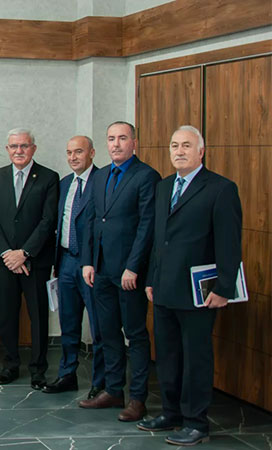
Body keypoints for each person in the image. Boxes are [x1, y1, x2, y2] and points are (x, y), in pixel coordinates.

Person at [139, 126, 241, 446]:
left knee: (196, 357)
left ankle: (197, 422)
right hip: (165, 287)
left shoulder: (221, 189)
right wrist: (152, 279)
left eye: (186, 145)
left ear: (201, 151)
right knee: (167, 355)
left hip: (200, 292)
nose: (179, 151)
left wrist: (224, 288)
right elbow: (160, 239)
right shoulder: (164, 186)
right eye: (174, 145)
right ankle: (171, 413)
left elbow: (229, 242)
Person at [78, 121, 160, 423]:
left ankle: (137, 398)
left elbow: (147, 227)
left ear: (134, 143)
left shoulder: (146, 176)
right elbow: (90, 220)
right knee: (107, 332)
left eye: (122, 138)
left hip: (128, 274)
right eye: (111, 138)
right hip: (99, 270)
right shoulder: (99, 177)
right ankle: (113, 390)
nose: (116, 144)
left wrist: (132, 266)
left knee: (135, 335)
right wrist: (88, 261)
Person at [0, 128, 59, 389]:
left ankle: (38, 369)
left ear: (33, 149)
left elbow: (48, 220)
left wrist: (24, 253)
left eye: (24, 146)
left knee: (38, 317)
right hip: (6, 261)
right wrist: (7, 253)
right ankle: (10, 365)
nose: (19, 151)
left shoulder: (49, 178)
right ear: (7, 149)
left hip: (35, 261)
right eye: (14, 146)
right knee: (7, 314)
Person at [42, 136, 104, 396]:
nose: (73, 157)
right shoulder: (65, 183)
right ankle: (67, 374)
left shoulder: (103, 181)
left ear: (91, 152)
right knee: (69, 323)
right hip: (66, 260)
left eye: (78, 152)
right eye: (69, 152)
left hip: (92, 264)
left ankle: (101, 384)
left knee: (100, 326)